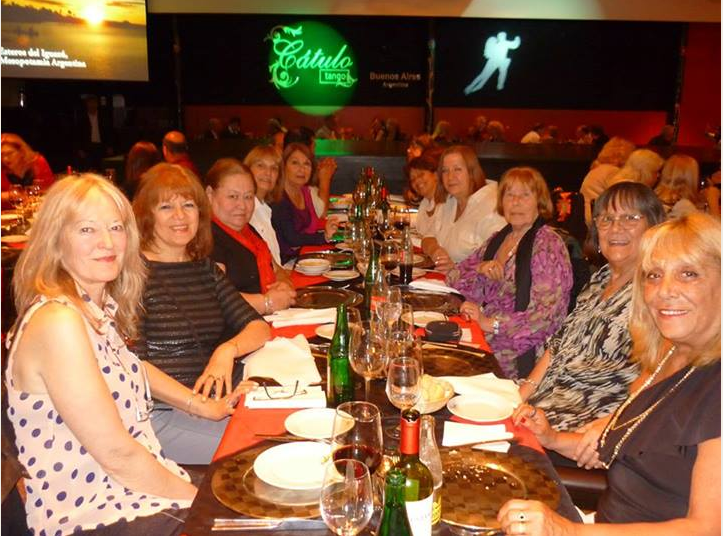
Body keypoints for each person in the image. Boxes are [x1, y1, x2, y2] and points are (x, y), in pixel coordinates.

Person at [6, 174, 255, 535]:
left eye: (116, 227)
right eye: (87, 229)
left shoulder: (95, 309)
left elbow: (133, 368)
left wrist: (204, 406)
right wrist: (203, 504)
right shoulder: (58, 321)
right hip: (95, 510)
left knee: (255, 489)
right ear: (55, 239)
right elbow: (117, 456)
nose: (107, 242)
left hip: (132, 489)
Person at [500, 212, 720, 535]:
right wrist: (552, 438)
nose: (665, 290)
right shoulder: (666, 356)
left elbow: (708, 528)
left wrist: (568, 531)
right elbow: (629, 453)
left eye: (688, 274)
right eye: (654, 275)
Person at [132, 163, 270, 463]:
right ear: (146, 215)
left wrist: (226, 351)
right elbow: (135, 367)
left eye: (188, 205)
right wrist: (201, 405)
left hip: (216, 400)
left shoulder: (203, 267)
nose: (180, 216)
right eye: (166, 206)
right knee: (263, 451)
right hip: (163, 412)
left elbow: (259, 327)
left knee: (288, 427)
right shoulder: (133, 275)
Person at [512, 183, 666, 444]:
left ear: (653, 227)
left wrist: (596, 431)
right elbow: (558, 345)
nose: (616, 228)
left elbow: (659, 379)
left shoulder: (656, 292)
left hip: (582, 428)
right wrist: (521, 395)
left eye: (630, 218)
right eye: (606, 219)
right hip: (540, 409)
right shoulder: (601, 278)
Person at [451, 167, 573, 378]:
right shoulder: (499, 238)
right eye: (509, 195)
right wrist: (480, 269)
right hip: (481, 337)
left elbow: (548, 317)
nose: (515, 202)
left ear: (539, 202)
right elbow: (454, 277)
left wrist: (489, 323)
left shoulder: (548, 245)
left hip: (518, 354)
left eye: (525, 195)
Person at [205, 158, 296, 314]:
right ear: (209, 194)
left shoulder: (248, 231)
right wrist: (266, 302)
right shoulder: (207, 237)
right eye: (233, 196)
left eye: (248, 197)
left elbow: (277, 270)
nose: (242, 206)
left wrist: (283, 284)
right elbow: (215, 299)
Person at [421, 145, 506, 270]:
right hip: (442, 278)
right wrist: (435, 251)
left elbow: (498, 263)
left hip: (470, 281)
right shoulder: (449, 201)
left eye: (457, 169)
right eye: (445, 171)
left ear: (472, 173)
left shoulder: (492, 208)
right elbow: (428, 237)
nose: (450, 177)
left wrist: (457, 269)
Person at [271, 143, 340, 264]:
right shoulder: (279, 198)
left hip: (303, 256)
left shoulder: (304, 192)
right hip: (286, 263)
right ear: (283, 166)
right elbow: (292, 239)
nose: (301, 169)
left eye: (306, 164)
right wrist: (324, 237)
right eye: (295, 163)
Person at [243, 144, 284, 266]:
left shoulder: (264, 209)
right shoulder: (244, 211)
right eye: (261, 166)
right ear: (247, 170)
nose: (268, 173)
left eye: (274, 168)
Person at [579, 137, 637, 224]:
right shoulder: (613, 171)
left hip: (585, 214)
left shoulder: (597, 168)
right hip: (598, 218)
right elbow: (622, 199)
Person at [1, 133, 55, 201]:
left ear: (22, 152)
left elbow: (51, 189)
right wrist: (7, 195)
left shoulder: (38, 162)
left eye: (9, 153)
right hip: (11, 208)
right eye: (2, 154)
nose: (5, 159)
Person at [407, 151, 444, 237]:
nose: (417, 181)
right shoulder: (425, 203)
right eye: (413, 179)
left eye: (421, 175)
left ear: (436, 175)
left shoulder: (446, 203)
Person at [74, 95, 114, 171]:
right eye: (90, 103)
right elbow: (78, 135)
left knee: (102, 168)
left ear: (97, 104)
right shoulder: (82, 118)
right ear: (87, 105)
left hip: (102, 146)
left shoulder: (103, 116)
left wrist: (110, 146)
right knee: (88, 169)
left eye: (94, 103)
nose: (92, 105)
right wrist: (80, 149)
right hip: (88, 147)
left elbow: (109, 132)